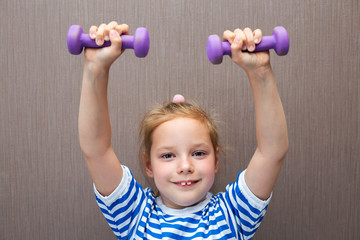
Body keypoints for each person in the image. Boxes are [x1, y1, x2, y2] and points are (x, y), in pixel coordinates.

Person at [78, 21, 289, 239]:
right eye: (168, 155)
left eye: (198, 153)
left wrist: (260, 72)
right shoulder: (135, 213)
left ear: (216, 160)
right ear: (148, 165)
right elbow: (97, 149)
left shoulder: (232, 214)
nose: (185, 166)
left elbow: (272, 152)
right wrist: (96, 69)